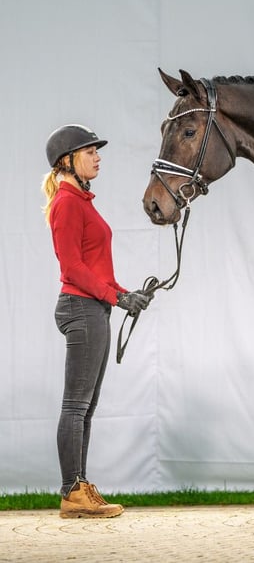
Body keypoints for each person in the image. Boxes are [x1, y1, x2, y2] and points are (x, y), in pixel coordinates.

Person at [41, 124, 152, 518]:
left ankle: (79, 485)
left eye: (97, 151)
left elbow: (95, 267)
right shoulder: (68, 203)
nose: (98, 156)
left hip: (93, 307)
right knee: (76, 406)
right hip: (82, 309)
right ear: (67, 161)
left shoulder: (82, 200)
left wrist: (125, 293)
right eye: (90, 151)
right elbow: (71, 267)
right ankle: (71, 490)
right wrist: (115, 297)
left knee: (84, 408)